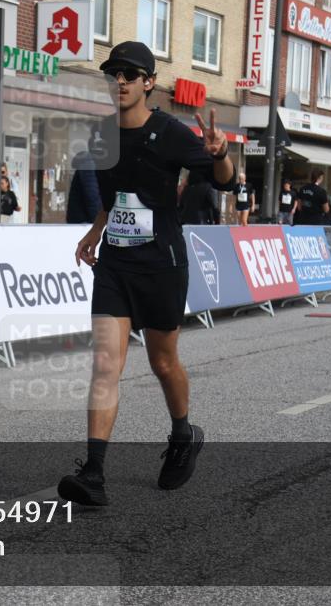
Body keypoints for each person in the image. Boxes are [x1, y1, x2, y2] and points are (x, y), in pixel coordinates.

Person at [59, 41, 235, 506]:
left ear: (148, 83)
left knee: (163, 362)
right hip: (115, 264)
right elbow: (116, 197)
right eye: (113, 74)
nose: (119, 82)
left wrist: (218, 154)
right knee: (105, 364)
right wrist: (94, 233)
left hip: (162, 265)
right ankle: (93, 473)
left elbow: (225, 180)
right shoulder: (103, 134)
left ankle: (184, 433)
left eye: (129, 75)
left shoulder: (171, 132)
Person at [67, 128, 102, 224]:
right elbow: (92, 197)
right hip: (84, 224)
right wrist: (99, 225)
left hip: (85, 222)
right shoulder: (89, 164)